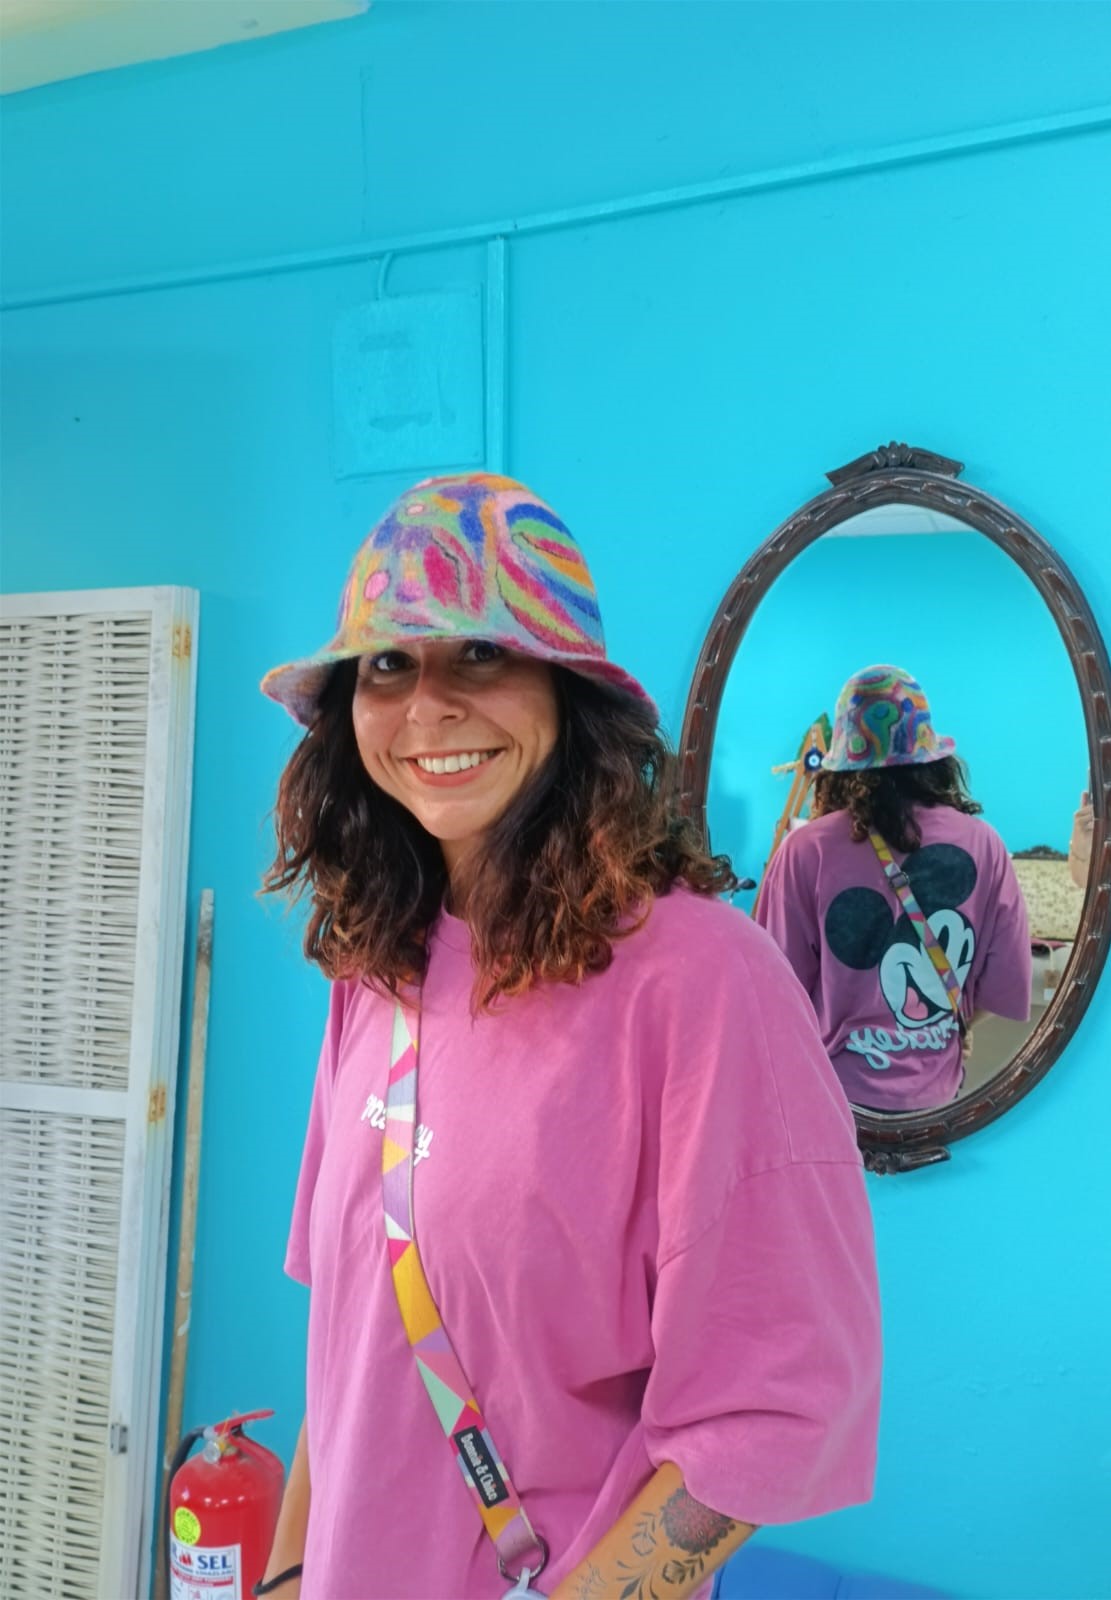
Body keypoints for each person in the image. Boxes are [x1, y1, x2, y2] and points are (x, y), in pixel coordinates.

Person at [256, 473, 881, 1600]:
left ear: (568, 695)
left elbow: (774, 1415)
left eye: (480, 654)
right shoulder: (378, 967)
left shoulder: (702, 982)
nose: (427, 706)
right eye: (388, 664)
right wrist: (288, 1576)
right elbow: (354, 1344)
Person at [755, 664, 1032, 1114]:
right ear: (934, 760)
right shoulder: (985, 845)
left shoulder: (805, 851)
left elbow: (774, 995)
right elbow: (1005, 982)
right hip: (937, 1101)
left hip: (832, 1102)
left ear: (840, 764)